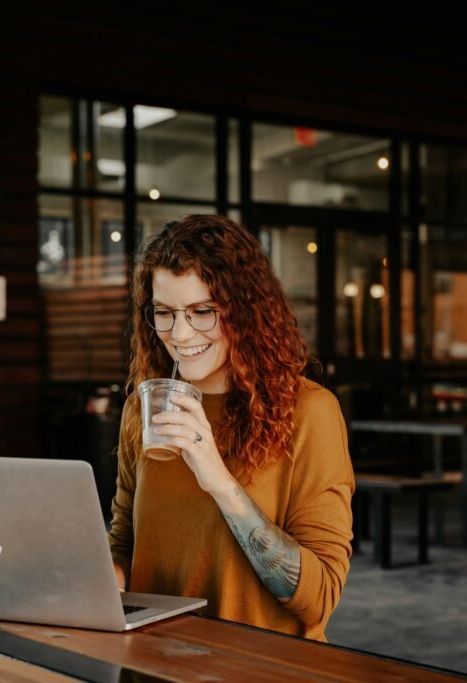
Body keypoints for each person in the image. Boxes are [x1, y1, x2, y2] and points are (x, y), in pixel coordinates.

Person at [108, 214, 354, 642]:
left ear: (245, 310)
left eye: (203, 311)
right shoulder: (144, 409)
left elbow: (319, 598)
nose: (180, 334)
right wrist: (87, 576)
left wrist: (218, 479)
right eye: (164, 313)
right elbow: (126, 542)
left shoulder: (309, 412)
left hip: (259, 667)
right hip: (153, 664)